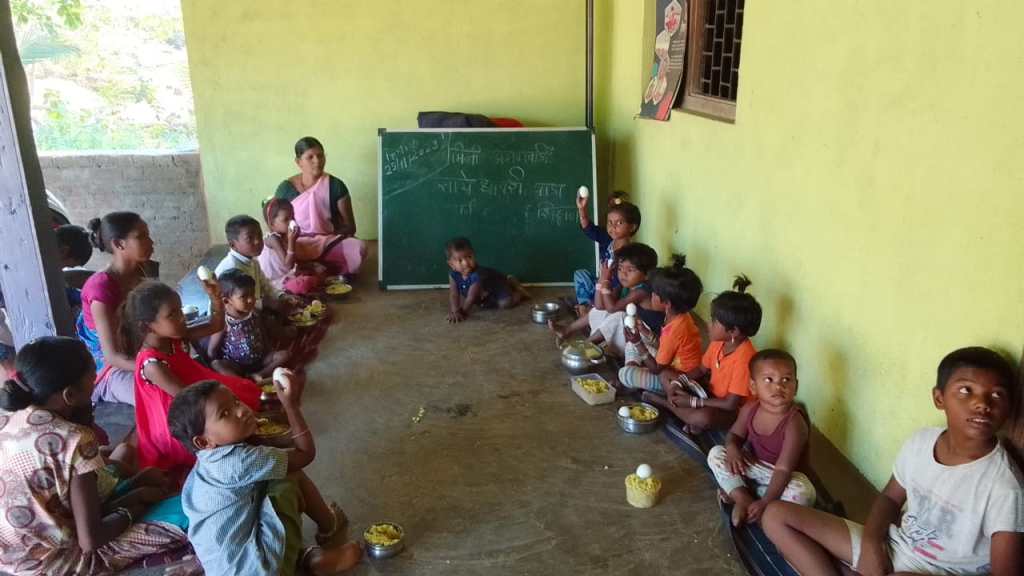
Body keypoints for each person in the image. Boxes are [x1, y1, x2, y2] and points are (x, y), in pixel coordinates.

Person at [762, 346, 1024, 576]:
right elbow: (889, 498)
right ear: (939, 398)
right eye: (966, 390)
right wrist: (872, 544)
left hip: (939, 571)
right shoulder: (921, 442)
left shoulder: (1004, 486)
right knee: (775, 516)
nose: (982, 403)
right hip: (895, 545)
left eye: (997, 395)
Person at [0, 337, 189, 576]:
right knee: (189, 511)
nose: (96, 380)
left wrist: (135, 492)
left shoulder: (6, 416)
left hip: (11, 557)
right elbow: (91, 540)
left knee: (116, 470)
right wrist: (138, 505)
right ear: (69, 395)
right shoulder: (74, 438)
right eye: (92, 377)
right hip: (56, 563)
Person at [170, 377, 361, 576]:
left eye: (236, 401)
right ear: (203, 441)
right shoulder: (240, 462)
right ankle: (329, 527)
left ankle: (306, 558)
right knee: (288, 475)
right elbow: (305, 453)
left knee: (272, 474)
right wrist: (291, 406)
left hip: (226, 567)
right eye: (225, 413)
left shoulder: (205, 465)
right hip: (261, 569)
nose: (241, 410)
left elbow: (270, 446)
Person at [120, 280, 261, 484]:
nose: (181, 318)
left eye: (179, 310)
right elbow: (190, 401)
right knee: (228, 426)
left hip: (196, 391)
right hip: (180, 416)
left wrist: (214, 298)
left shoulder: (172, 337)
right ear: (147, 326)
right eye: (172, 314)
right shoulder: (153, 364)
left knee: (244, 392)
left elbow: (216, 325)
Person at [707, 349, 816, 528]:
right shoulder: (750, 409)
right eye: (768, 380)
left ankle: (751, 495)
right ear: (753, 386)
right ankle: (743, 498)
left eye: (786, 380)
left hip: (785, 476)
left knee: (804, 493)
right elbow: (734, 436)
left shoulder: (795, 424)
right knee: (716, 453)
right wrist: (734, 450)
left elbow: (783, 469)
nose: (778, 386)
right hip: (756, 466)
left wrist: (766, 501)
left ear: (796, 386)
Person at [646, 275, 760, 433]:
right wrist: (678, 383)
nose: (708, 324)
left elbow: (730, 404)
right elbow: (701, 369)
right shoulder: (719, 342)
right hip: (709, 395)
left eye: (714, 321)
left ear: (733, 331)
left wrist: (693, 402)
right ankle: (687, 415)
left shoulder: (745, 358)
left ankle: (667, 405)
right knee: (666, 375)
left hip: (731, 411)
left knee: (704, 417)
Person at [77, 212, 155, 406]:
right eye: (141, 236)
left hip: (142, 355)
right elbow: (112, 356)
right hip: (111, 370)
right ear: (119, 244)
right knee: (157, 398)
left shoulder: (142, 271)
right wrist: (155, 366)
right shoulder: (102, 287)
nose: (151, 242)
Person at [274, 136, 368, 278]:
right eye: (310, 157)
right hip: (296, 243)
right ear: (299, 162)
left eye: (320, 156)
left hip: (327, 242)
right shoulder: (286, 188)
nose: (317, 161)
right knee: (270, 253)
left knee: (358, 248)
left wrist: (326, 236)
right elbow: (275, 224)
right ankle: (320, 270)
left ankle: (309, 270)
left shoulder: (336, 185)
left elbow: (350, 227)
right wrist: (289, 241)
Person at [550, 243, 658, 355]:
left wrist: (606, 283)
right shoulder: (624, 286)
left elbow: (612, 308)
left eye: (630, 270)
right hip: (630, 333)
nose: (623, 274)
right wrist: (602, 280)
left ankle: (585, 345)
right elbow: (599, 306)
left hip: (644, 340)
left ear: (647, 275)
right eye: (620, 268)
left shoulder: (641, 291)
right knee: (599, 311)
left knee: (618, 315)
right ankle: (567, 330)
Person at [617, 254, 702, 391]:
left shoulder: (676, 329)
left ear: (667, 303)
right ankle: (635, 372)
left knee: (625, 373)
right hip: (669, 363)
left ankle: (633, 375)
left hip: (677, 378)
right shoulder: (677, 315)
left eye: (655, 294)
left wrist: (638, 343)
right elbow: (664, 347)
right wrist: (645, 333)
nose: (652, 296)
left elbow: (657, 369)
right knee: (635, 342)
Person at [208, 270, 291, 379]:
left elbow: (262, 333)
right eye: (244, 296)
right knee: (217, 364)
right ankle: (243, 381)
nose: (251, 299)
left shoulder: (254, 312)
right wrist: (214, 366)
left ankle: (259, 375)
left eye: (252, 294)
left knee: (284, 355)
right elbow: (212, 350)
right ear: (226, 301)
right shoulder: (224, 322)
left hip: (260, 360)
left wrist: (269, 351)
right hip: (237, 365)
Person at [571, 190, 640, 317]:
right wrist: (582, 209)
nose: (613, 227)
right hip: (600, 284)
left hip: (613, 290)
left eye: (619, 223)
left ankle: (591, 310)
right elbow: (588, 229)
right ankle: (585, 306)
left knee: (605, 303)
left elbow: (623, 282)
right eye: (610, 222)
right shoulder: (608, 239)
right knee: (580, 275)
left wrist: (605, 284)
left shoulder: (631, 252)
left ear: (632, 227)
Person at [215, 215, 292, 311]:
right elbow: (236, 304)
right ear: (233, 244)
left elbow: (265, 285)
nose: (257, 241)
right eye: (249, 238)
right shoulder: (231, 269)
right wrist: (265, 303)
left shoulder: (253, 262)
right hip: (236, 320)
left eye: (259, 235)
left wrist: (281, 296)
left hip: (253, 311)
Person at [446, 237, 528, 323]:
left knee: (505, 304)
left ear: (474, 255)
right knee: (486, 304)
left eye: (469, 257)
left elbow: (471, 297)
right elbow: (454, 294)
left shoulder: (477, 274)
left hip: (497, 285)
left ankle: (518, 292)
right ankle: (509, 282)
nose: (466, 263)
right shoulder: (453, 275)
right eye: (460, 260)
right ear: (451, 264)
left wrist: (462, 313)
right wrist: (455, 311)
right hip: (484, 294)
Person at [258, 198, 326, 295]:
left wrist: (310, 265)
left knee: (318, 269)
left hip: (287, 275)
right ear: (272, 224)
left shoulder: (284, 237)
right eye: (286, 219)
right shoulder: (273, 239)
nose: (291, 222)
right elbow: (288, 265)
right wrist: (291, 241)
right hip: (274, 283)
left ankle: (311, 283)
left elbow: (293, 263)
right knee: (303, 283)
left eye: (292, 217)